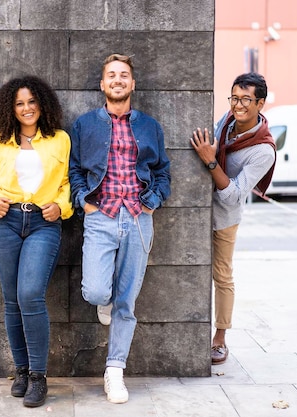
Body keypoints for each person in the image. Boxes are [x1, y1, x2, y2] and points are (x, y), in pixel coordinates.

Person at [69, 54, 171, 404]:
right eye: (111, 75)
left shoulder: (149, 126)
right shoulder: (85, 125)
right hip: (101, 217)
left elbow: (163, 172)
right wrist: (84, 200)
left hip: (139, 218)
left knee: (127, 303)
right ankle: (105, 300)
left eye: (123, 75)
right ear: (102, 84)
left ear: (132, 84)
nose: (117, 80)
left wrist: (152, 201)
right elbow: (74, 170)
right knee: (97, 292)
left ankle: (115, 371)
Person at [0, 76, 73, 408]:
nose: (27, 108)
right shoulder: (0, 143)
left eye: (32, 101)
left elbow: (67, 183)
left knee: (30, 294)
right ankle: (20, 371)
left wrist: (62, 207)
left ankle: (38, 377)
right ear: (11, 109)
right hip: (5, 222)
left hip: (43, 224)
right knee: (11, 300)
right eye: (19, 103)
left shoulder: (60, 140)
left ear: (41, 104)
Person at [190, 72, 276, 365]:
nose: (238, 106)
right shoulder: (227, 120)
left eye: (246, 100)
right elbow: (212, 141)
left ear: (260, 104)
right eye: (235, 98)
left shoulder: (263, 150)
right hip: (198, 208)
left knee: (222, 275)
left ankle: (220, 337)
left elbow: (234, 194)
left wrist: (210, 160)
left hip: (225, 217)